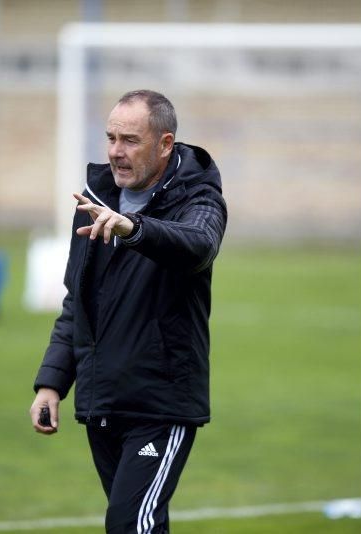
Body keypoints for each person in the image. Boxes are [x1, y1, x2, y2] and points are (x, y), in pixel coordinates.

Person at [29, 89, 227, 534]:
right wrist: (52, 383)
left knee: (129, 524)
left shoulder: (199, 199)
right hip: (104, 401)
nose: (117, 151)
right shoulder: (96, 199)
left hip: (161, 404)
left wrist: (134, 228)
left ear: (165, 144)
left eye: (131, 140)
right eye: (111, 138)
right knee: (138, 525)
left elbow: (197, 246)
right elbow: (76, 304)